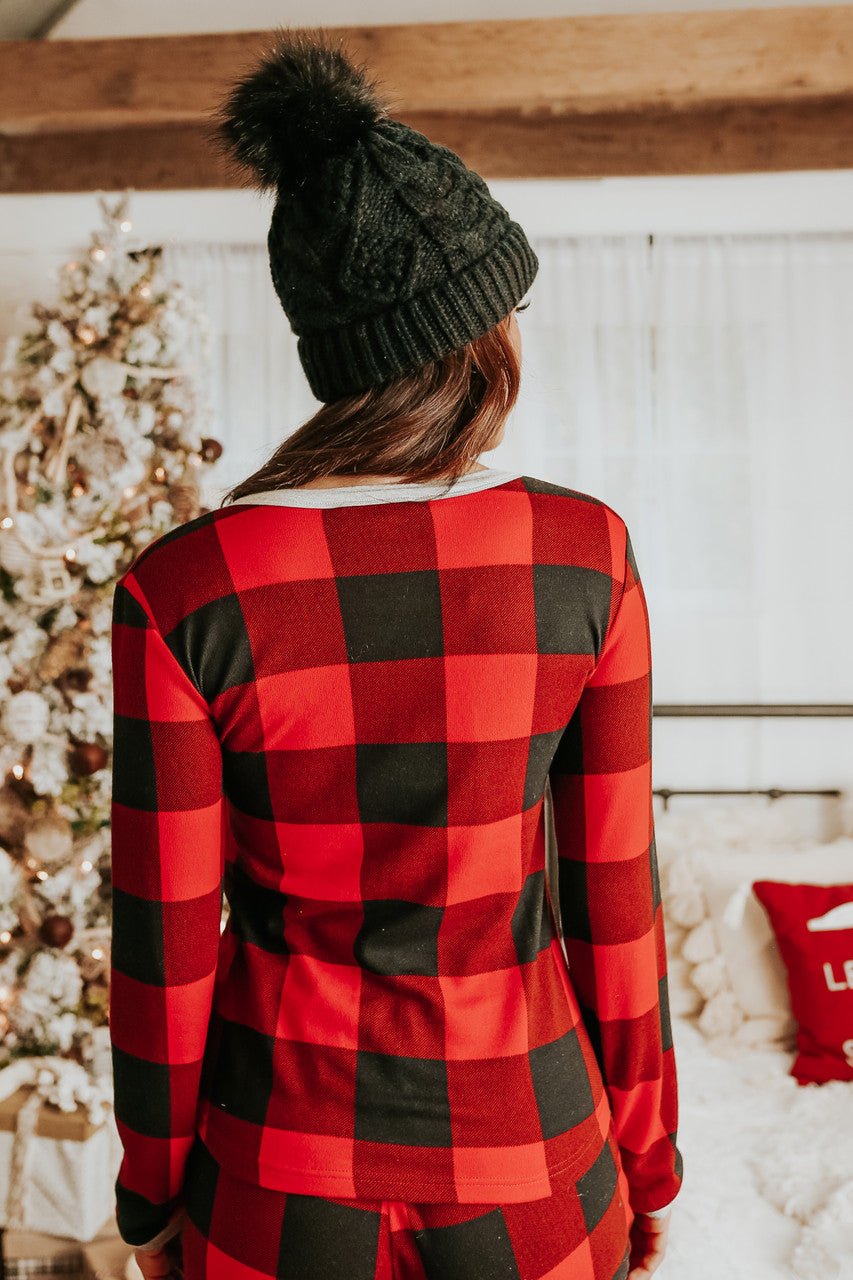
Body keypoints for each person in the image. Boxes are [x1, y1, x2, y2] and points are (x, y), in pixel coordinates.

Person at [109, 26, 683, 1280]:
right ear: (476, 334)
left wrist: (151, 1191)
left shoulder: (184, 588)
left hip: (276, 1175)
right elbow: (614, 902)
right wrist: (647, 1160)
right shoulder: (583, 555)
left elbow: (164, 942)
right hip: (531, 1157)